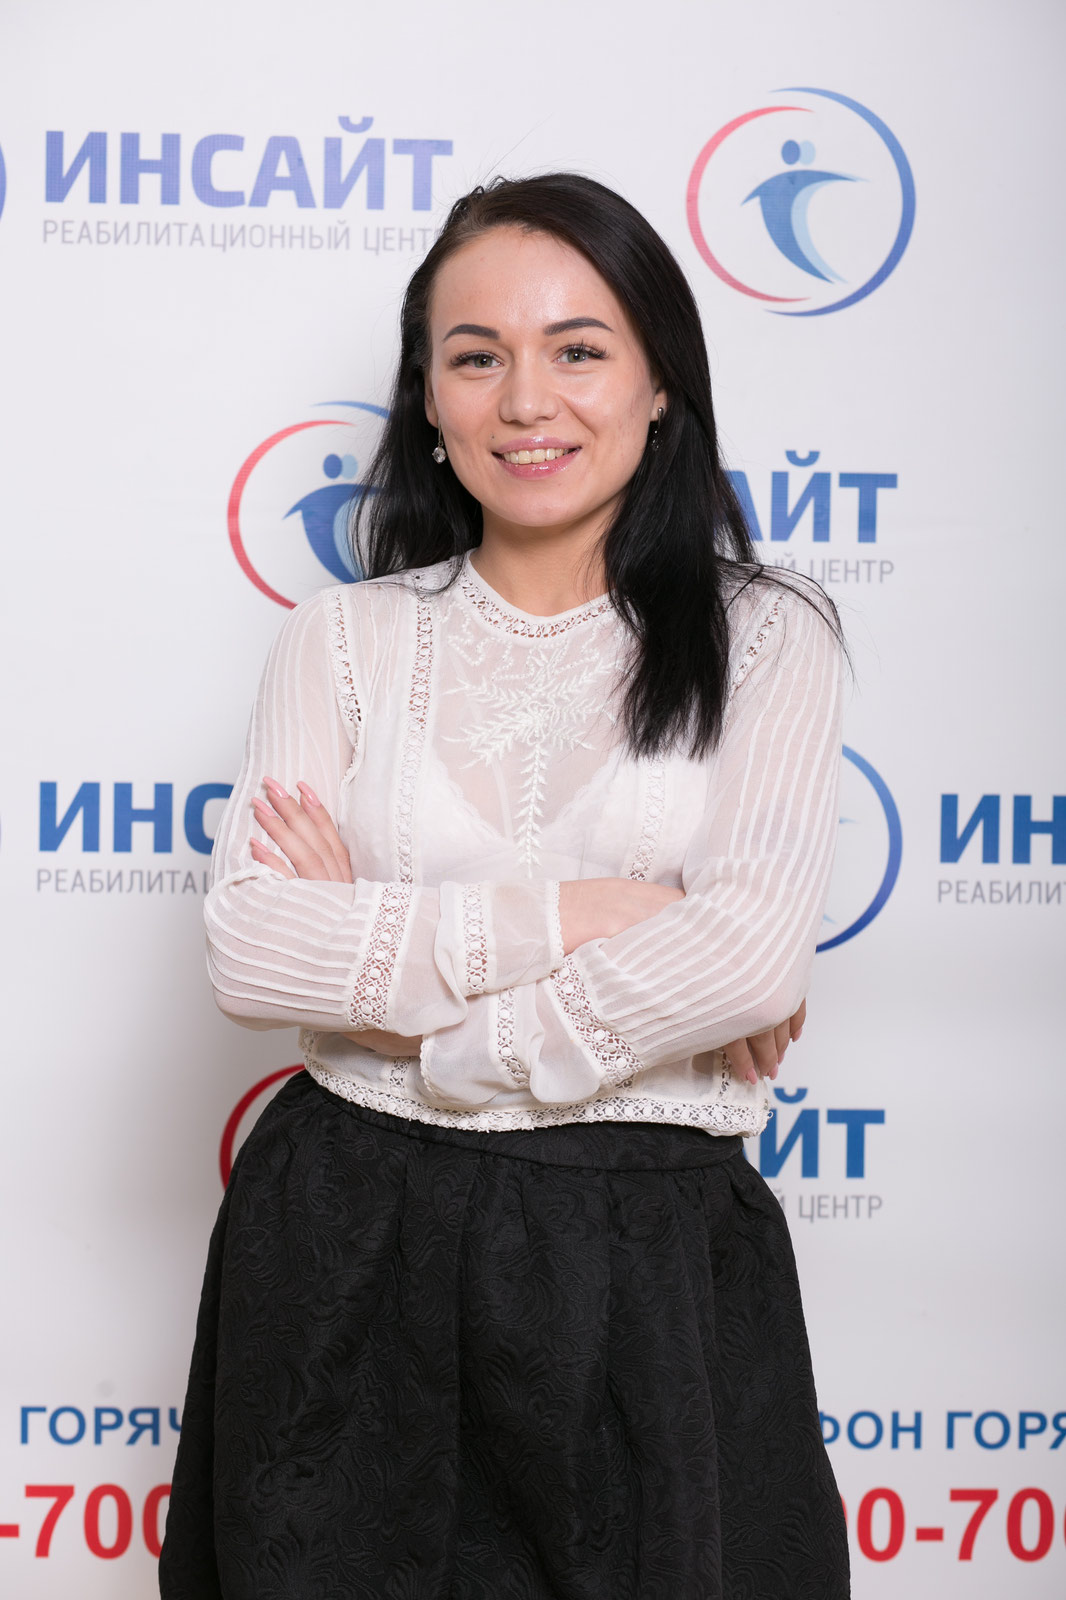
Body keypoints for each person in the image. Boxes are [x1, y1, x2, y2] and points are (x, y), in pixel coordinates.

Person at [160, 173, 850, 1599]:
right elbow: (255, 952)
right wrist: (594, 918)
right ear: (427, 399)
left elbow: (743, 957)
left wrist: (430, 1035)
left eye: (578, 349)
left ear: (661, 383)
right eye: (475, 357)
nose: (526, 400)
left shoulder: (768, 637)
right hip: (347, 1231)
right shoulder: (341, 637)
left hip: (643, 1250)